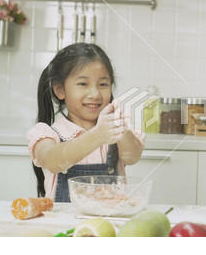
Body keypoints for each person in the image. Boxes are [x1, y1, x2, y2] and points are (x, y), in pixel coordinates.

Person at [27, 43, 145, 202]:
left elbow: (132, 157)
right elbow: (52, 161)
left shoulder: (112, 131)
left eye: (103, 84)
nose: (95, 94)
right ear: (60, 90)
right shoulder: (48, 134)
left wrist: (121, 129)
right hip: (65, 223)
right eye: (83, 84)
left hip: (108, 222)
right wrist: (97, 136)